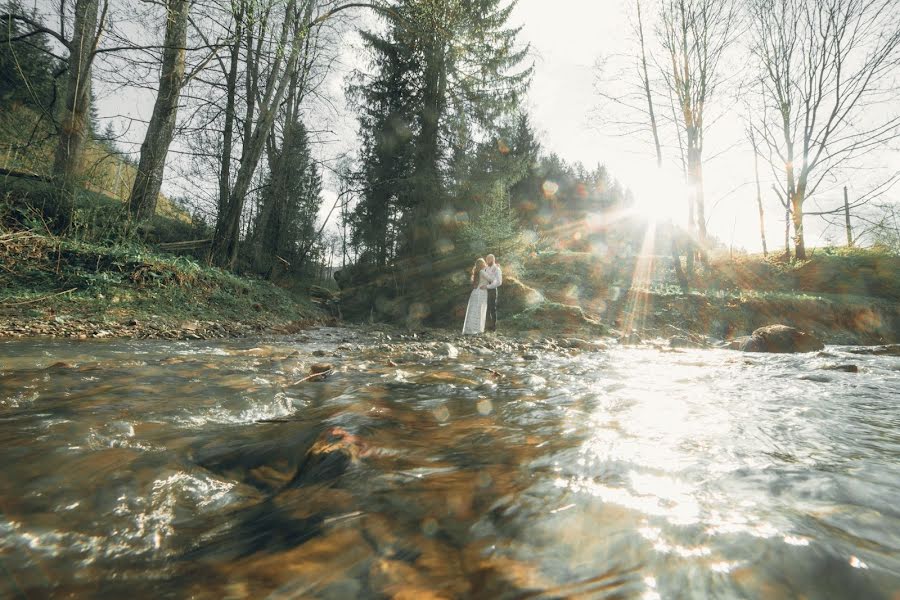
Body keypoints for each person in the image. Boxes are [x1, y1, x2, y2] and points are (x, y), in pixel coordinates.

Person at [462, 258, 492, 335]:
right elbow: (491, 279)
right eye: (484, 263)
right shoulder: (482, 272)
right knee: (479, 311)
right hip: (481, 293)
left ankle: (469, 330)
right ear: (483, 264)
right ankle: (477, 330)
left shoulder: (476, 272)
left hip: (475, 292)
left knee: (473, 311)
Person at [483, 254, 502, 332]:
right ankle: (488, 326)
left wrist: (488, 286)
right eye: (486, 259)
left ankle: (493, 327)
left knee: (492, 308)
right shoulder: (486, 268)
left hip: (492, 290)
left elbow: (499, 282)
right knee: (485, 308)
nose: (487, 261)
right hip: (484, 290)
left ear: (493, 260)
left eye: (488, 259)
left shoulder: (497, 269)